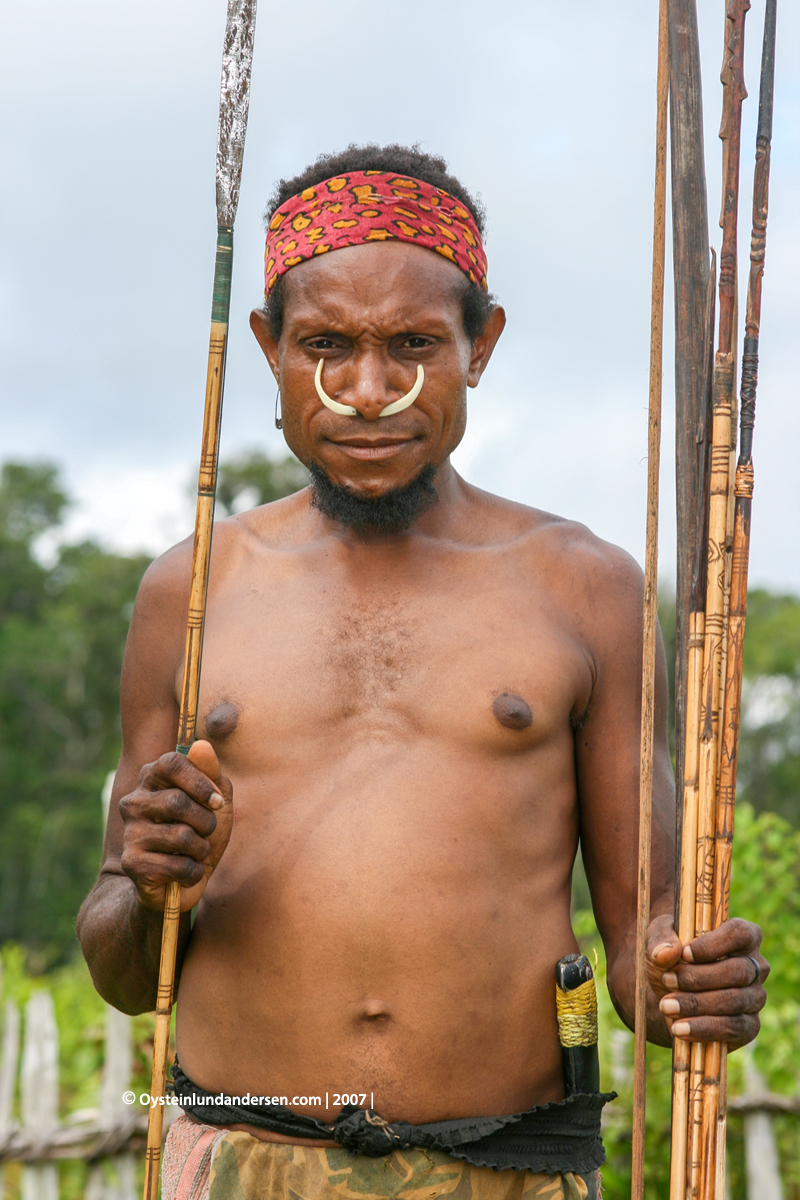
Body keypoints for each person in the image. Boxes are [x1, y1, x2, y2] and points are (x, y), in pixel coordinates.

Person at [77, 145, 768, 1200]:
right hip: (239, 1162)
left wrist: (688, 986)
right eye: (324, 346)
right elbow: (123, 973)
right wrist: (143, 881)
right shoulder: (191, 591)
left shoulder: (584, 589)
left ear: (478, 345)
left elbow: (642, 943)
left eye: (412, 345)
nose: (366, 391)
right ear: (265, 347)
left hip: (509, 1167)